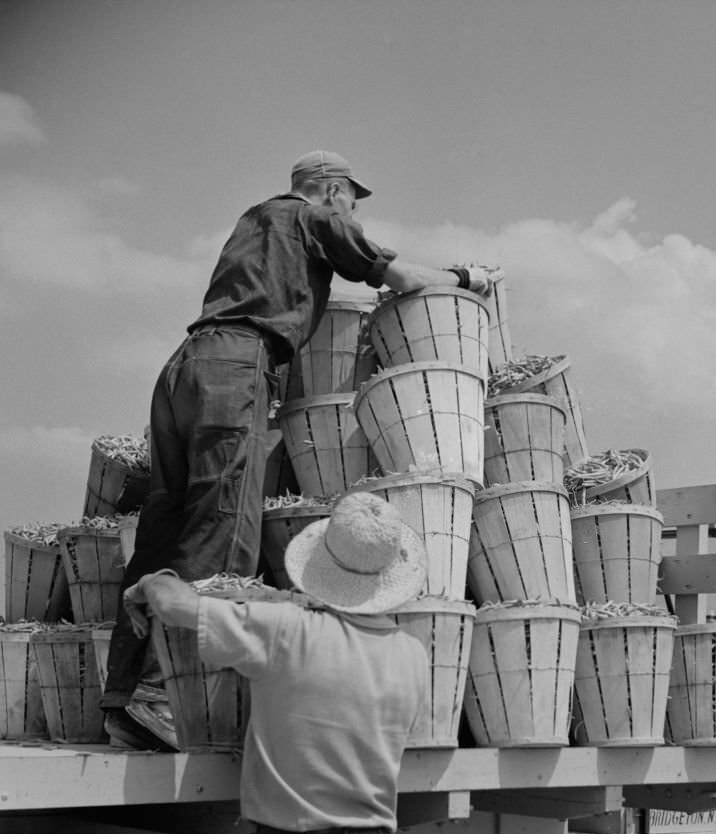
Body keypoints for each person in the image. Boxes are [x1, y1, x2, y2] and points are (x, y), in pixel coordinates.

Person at [102, 149, 491, 748]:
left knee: (164, 526)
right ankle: (164, 698)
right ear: (334, 191)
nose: (353, 213)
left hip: (184, 368)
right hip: (238, 366)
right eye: (353, 203)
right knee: (225, 525)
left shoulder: (253, 220)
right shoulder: (314, 219)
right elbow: (402, 277)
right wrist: (465, 278)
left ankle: (123, 698)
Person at [122, 490, 429, 834]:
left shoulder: (287, 632)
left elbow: (176, 606)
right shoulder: (412, 654)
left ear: (320, 570)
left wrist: (150, 580)